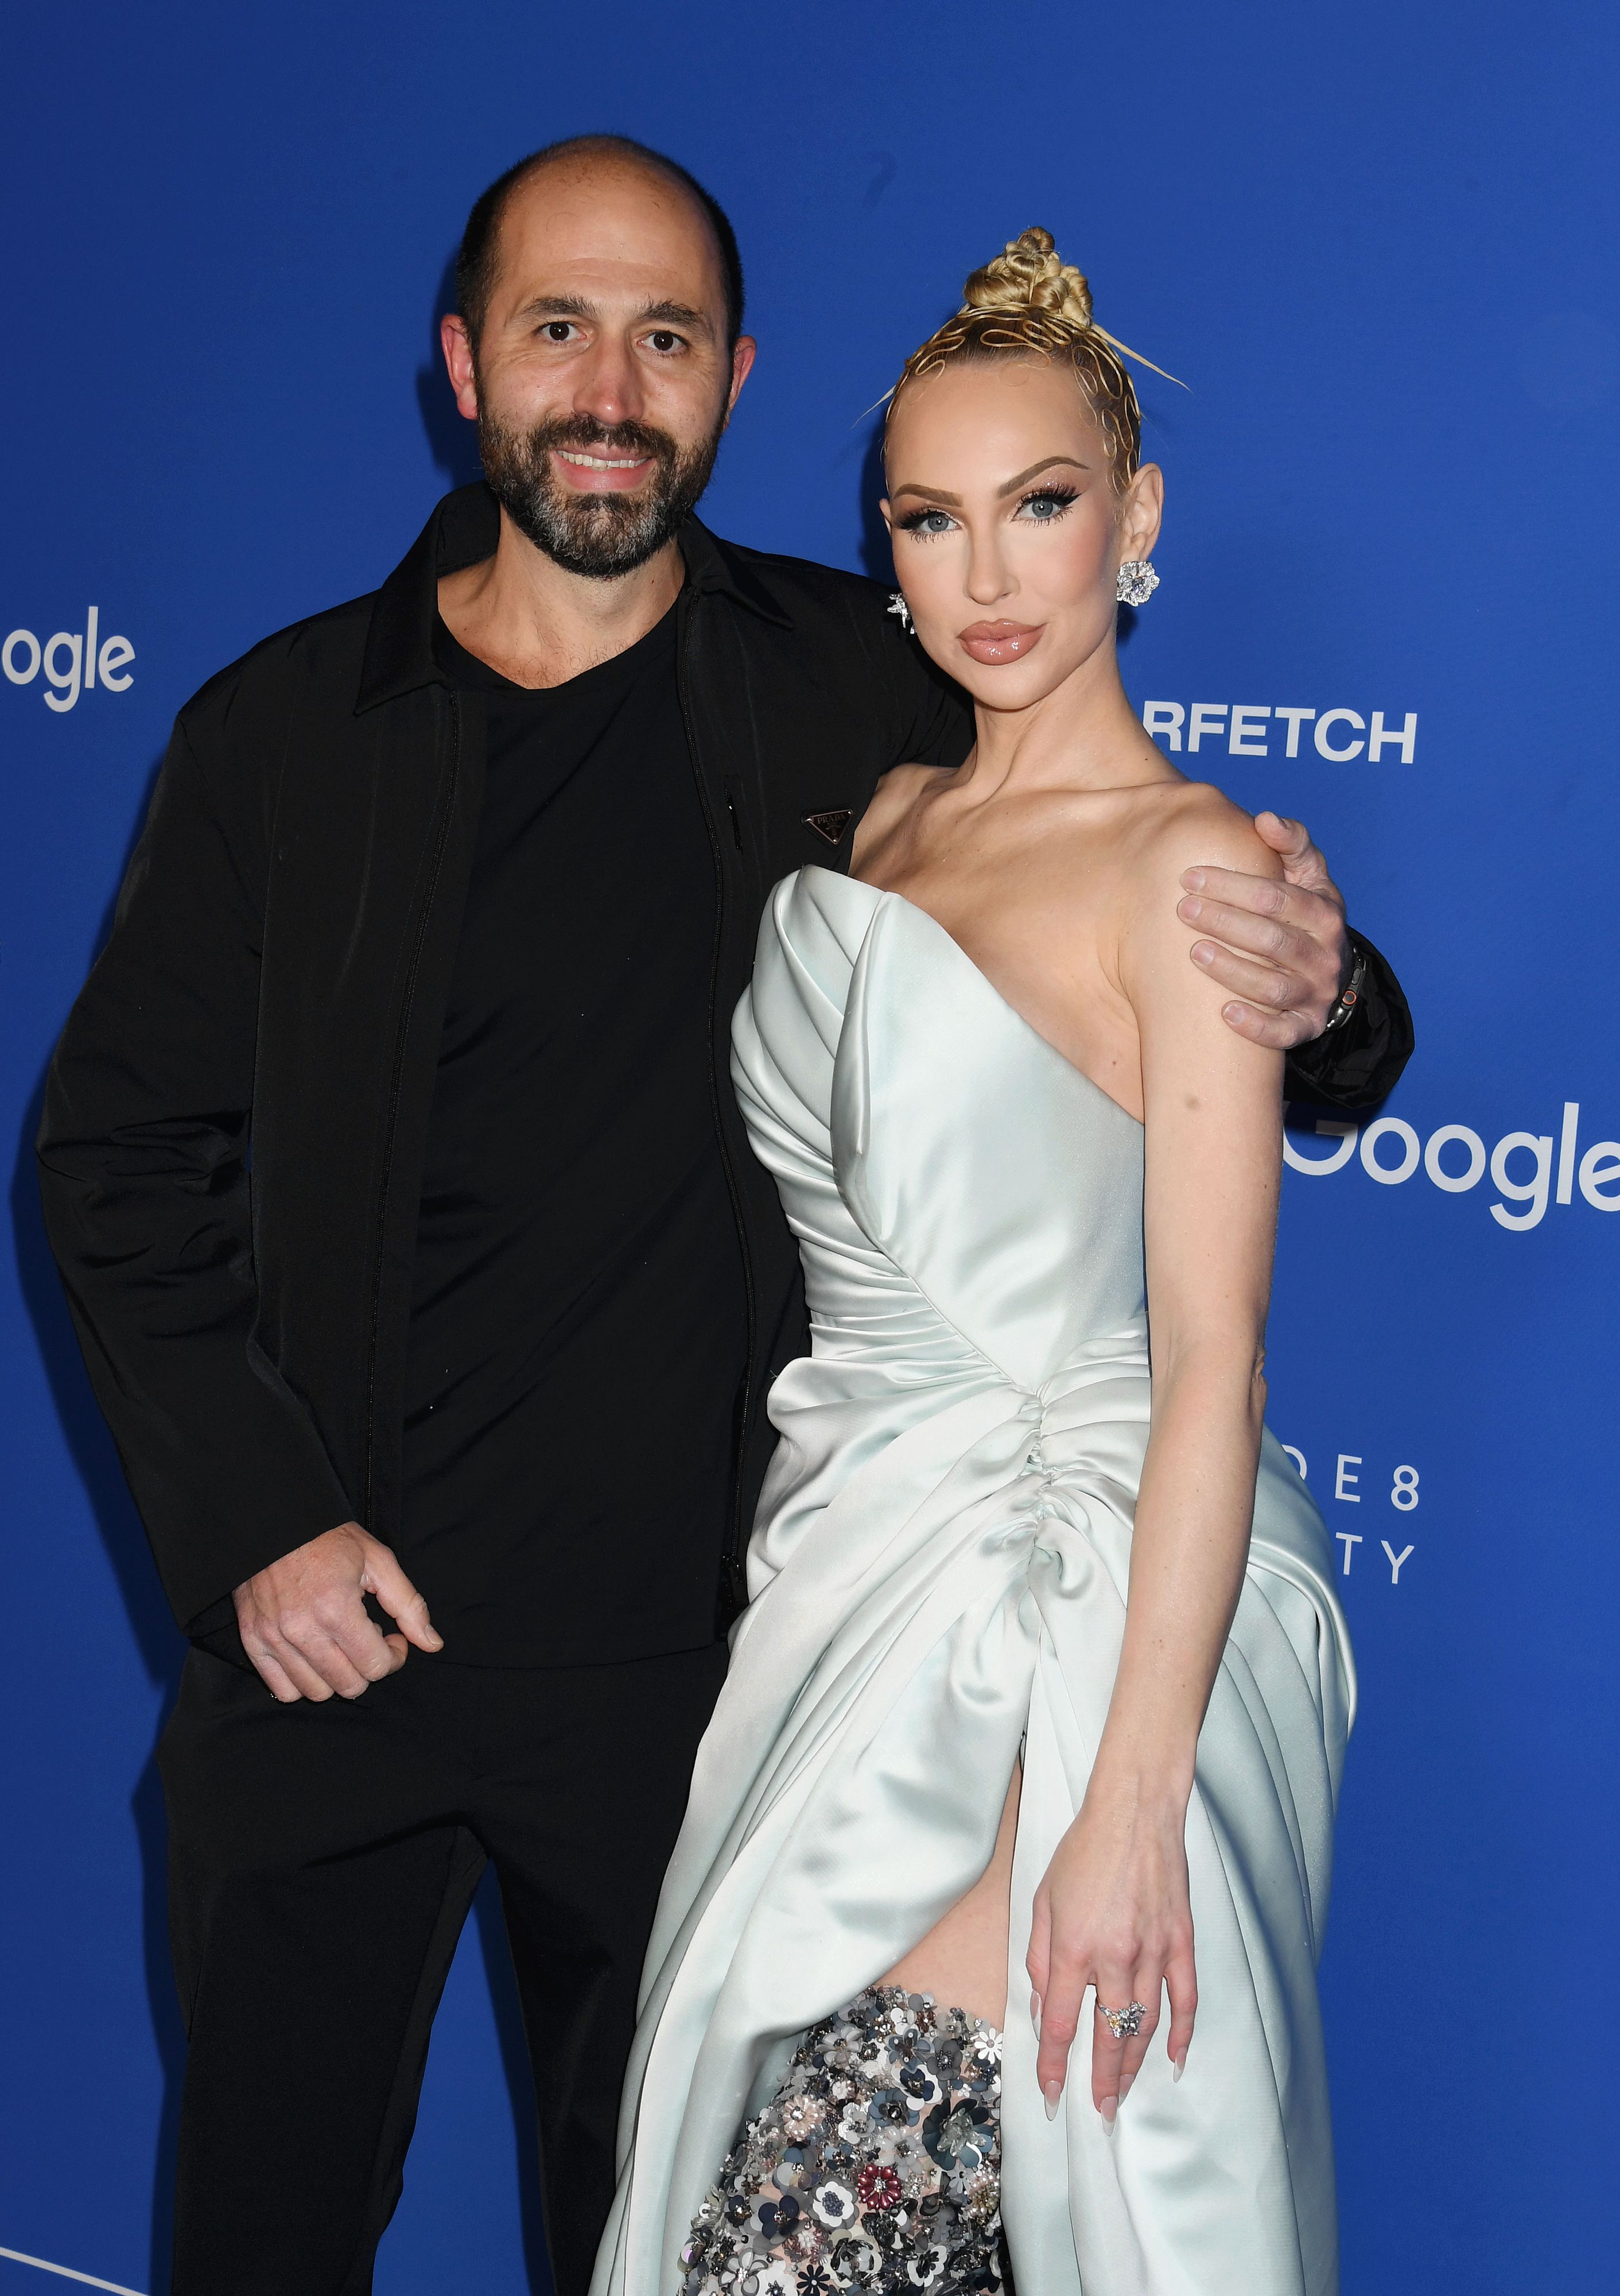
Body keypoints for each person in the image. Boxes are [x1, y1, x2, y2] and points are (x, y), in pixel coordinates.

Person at [37, 139, 1401, 2296]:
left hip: (703, 1686)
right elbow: (108, 1162)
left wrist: (1327, 985)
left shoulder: (864, 684)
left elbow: (1158, 941)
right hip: (340, 1669)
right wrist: (255, 1528)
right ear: (465, 364)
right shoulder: (280, 734)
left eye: (663, 336)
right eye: (558, 328)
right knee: (259, 2242)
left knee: (652, 2241)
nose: (608, 382)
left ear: (735, 380)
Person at [595, 230, 1357, 2296]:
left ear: (1139, 518)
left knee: (833, 2229)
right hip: (848, 1573)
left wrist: (1122, 1811)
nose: (988, 576)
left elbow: (1213, 1359)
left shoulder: (1193, 869)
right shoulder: (889, 824)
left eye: (1042, 506)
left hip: (1059, 1612)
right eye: (929, 520)